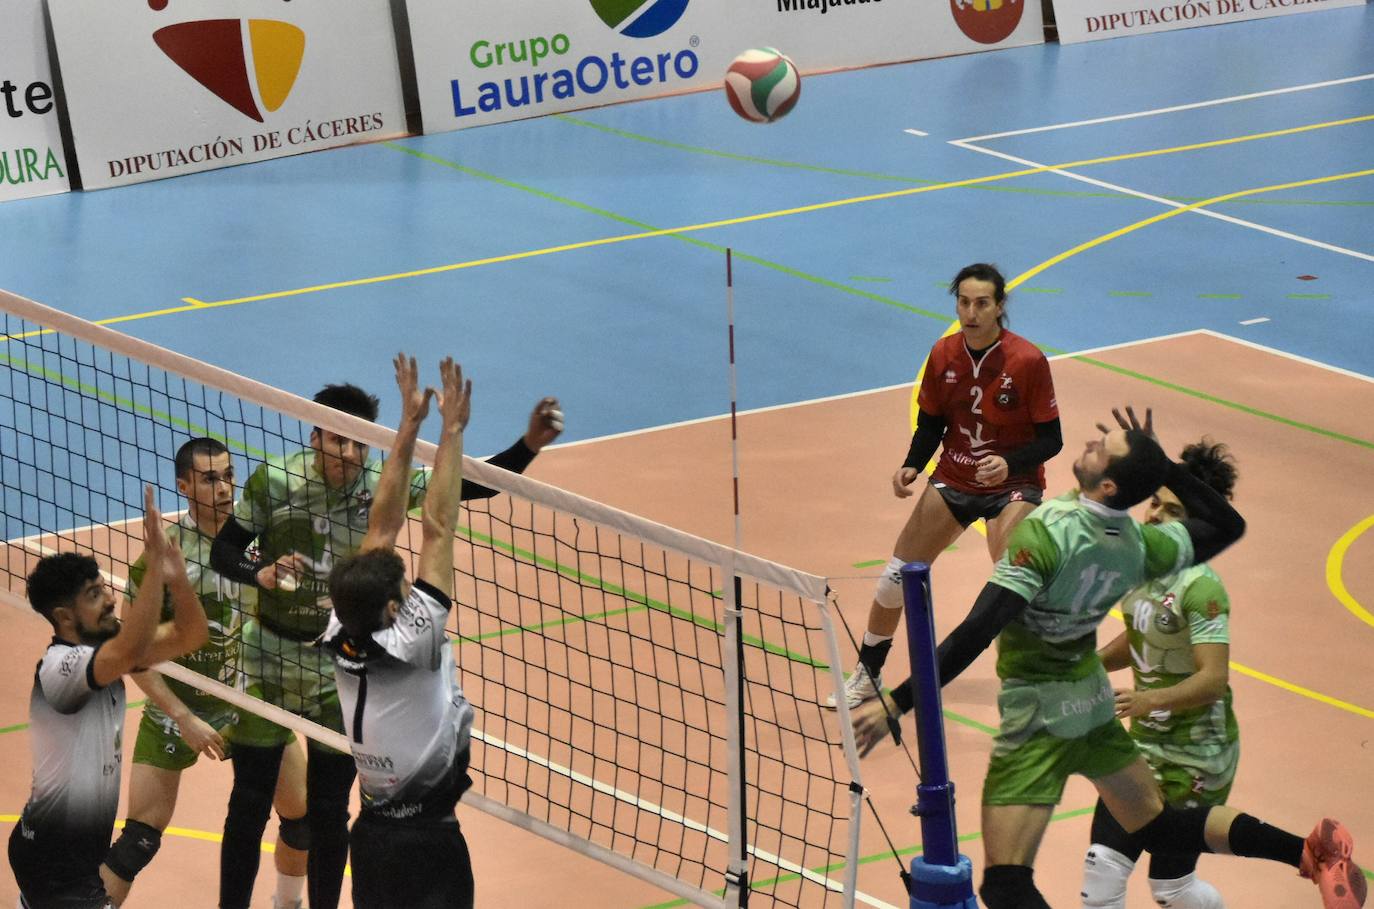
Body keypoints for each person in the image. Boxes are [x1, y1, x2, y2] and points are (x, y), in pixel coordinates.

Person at [851, 409, 1365, 909]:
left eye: (1105, 448)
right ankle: (1307, 852)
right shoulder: (1137, 546)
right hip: (1091, 705)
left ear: (1109, 485)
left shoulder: (1048, 533)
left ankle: (1306, 853)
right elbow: (1227, 525)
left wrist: (899, 700)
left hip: (1039, 715)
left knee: (1007, 884)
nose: (1092, 443)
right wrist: (1164, 467)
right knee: (1156, 826)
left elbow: (979, 629)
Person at [209, 380, 561, 909]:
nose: (349, 454)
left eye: (360, 443)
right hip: (270, 658)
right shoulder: (275, 482)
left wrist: (526, 447)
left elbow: (464, 490)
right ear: (315, 436)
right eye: (337, 441)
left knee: (329, 811)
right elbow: (226, 551)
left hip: (334, 667)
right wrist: (258, 572)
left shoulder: (378, 486)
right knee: (250, 801)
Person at [828, 263, 1061, 709]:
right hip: (955, 476)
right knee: (895, 578)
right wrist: (912, 464)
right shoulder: (943, 354)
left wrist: (1008, 461)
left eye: (981, 303)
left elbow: (1052, 440)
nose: (970, 312)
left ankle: (1041, 674)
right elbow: (932, 422)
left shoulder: (1028, 361)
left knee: (1015, 577)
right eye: (963, 302)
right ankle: (868, 674)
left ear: (999, 307)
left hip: (1014, 484)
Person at [97, 439, 309, 909]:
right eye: (211, 479)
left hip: (248, 703)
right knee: (138, 843)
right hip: (180, 710)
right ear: (184, 486)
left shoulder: (261, 548)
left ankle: (286, 904)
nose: (224, 488)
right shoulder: (163, 559)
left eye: (229, 476)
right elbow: (132, 654)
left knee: (302, 821)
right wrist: (182, 715)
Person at [320, 353, 476, 908]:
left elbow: (382, 527)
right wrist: (449, 431)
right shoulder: (415, 642)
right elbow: (437, 528)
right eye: (405, 591)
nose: (413, 592)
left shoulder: (341, 628)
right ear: (393, 608)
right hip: (429, 840)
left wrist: (408, 427)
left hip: (373, 838)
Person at [9, 486, 209, 909]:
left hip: (70, 856)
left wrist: (177, 581)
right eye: (95, 595)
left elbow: (189, 636)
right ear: (64, 617)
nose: (111, 599)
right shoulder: (61, 670)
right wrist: (153, 568)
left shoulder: (107, 650)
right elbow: (133, 650)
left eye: (105, 588)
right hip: (53, 860)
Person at [1081, 439, 1240, 909]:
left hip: (1197, 755)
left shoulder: (1203, 588)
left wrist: (1148, 700)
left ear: (1196, 523)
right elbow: (1143, 637)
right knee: (1102, 868)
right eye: (1154, 503)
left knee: (1172, 889)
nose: (1153, 516)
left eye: (1170, 511)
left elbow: (1213, 679)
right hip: (1143, 746)